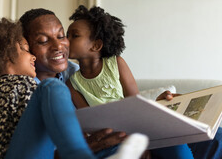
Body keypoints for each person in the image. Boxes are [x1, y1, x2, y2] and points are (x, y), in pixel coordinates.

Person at [19, 8, 222, 159]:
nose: (61, 45)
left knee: (215, 137)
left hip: (139, 131)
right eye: (43, 40)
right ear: (26, 47)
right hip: (107, 143)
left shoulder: (79, 69)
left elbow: (135, 102)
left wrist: (161, 106)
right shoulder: (33, 89)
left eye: (63, 36)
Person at [65, 5, 194, 158]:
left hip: (137, 129)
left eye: (74, 35)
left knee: (176, 144)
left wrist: (141, 142)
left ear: (96, 45)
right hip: (109, 140)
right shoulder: (71, 84)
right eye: (67, 35)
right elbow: (91, 123)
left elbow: (136, 105)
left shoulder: (116, 64)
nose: (66, 41)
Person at [0, 18, 97, 159]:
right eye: (25, 49)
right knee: (51, 86)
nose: (33, 57)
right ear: (4, 55)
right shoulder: (19, 84)